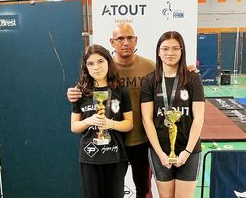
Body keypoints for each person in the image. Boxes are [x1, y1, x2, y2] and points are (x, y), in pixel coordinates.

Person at [67, 23, 198, 198]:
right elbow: (86, 92)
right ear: (112, 42)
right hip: (113, 142)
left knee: (143, 189)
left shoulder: (150, 67)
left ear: (136, 40)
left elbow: (170, 74)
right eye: (120, 38)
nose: (126, 42)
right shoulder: (102, 66)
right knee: (108, 190)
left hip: (142, 140)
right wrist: (73, 93)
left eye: (130, 38)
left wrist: (187, 70)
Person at [140, 31, 205, 198]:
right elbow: (147, 120)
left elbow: (198, 118)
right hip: (160, 150)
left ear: (182, 51)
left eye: (176, 48)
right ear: (158, 51)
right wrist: (160, 153)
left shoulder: (192, 78)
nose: (170, 53)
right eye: (165, 48)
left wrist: (188, 151)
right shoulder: (149, 81)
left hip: (188, 150)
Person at [70, 44, 133, 198]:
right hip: (89, 156)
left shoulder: (120, 90)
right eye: (90, 64)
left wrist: (110, 124)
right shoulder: (80, 91)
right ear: (85, 67)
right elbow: (74, 127)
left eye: (100, 61)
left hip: (115, 156)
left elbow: (129, 123)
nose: (96, 67)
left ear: (108, 62)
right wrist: (89, 121)